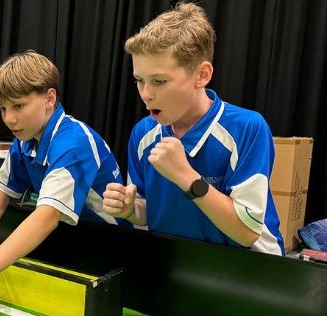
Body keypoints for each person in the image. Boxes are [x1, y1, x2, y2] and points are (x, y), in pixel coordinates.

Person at [0, 50, 126, 300]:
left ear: (49, 98)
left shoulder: (73, 141)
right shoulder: (25, 138)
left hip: (114, 251)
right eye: (3, 108)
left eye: (18, 106)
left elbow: (47, 217)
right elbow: (1, 188)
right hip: (72, 244)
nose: (9, 119)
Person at [102, 2, 284, 255]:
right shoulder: (143, 134)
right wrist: (130, 209)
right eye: (139, 81)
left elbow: (247, 232)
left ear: (202, 75)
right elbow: (147, 212)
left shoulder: (247, 128)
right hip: (179, 264)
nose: (146, 94)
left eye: (159, 81)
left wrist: (186, 176)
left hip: (249, 270)